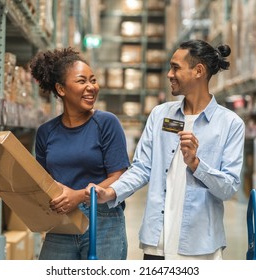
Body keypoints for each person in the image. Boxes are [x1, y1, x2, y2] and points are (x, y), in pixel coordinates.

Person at [86, 39, 245, 260]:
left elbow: (228, 188)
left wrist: (196, 164)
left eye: (175, 67)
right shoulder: (161, 115)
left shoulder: (230, 124)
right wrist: (112, 192)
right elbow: (142, 168)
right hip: (156, 243)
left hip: (199, 246)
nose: (169, 74)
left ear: (198, 71)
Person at [0, 47, 130, 260]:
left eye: (93, 80)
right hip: (62, 223)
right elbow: (40, 182)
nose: (91, 87)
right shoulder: (46, 132)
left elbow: (119, 177)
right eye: (82, 81)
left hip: (103, 221)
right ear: (61, 89)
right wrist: (6, 185)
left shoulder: (106, 123)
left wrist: (79, 195)